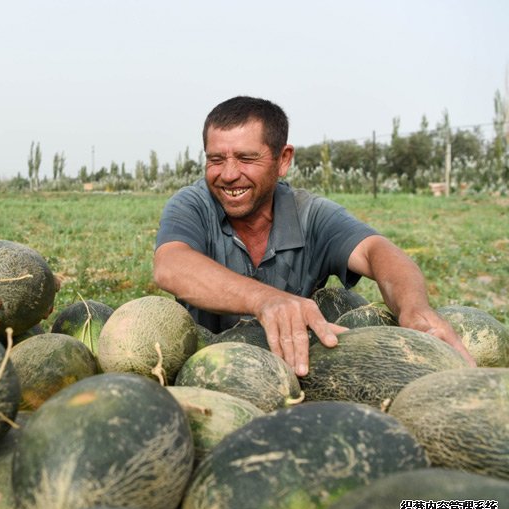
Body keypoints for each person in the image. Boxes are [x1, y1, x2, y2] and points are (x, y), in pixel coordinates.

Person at [153, 95, 474, 376]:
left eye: (247, 158)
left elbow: (377, 251)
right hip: (207, 373)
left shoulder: (311, 213)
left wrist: (414, 308)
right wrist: (264, 299)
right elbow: (171, 264)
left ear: (283, 160)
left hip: (300, 372)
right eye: (216, 159)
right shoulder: (193, 204)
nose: (228, 174)